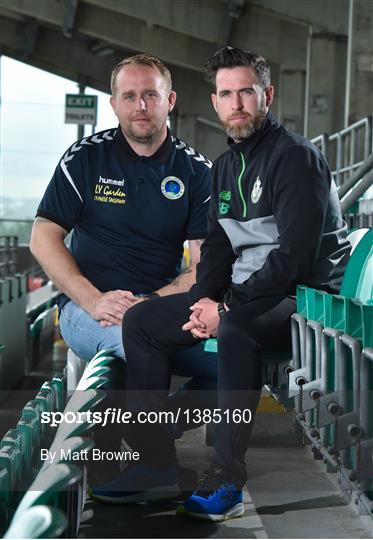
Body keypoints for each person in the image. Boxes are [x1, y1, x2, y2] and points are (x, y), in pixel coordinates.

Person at [102, 46, 351, 519]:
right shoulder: (223, 167)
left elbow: (295, 257)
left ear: (267, 95)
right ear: (215, 102)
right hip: (250, 295)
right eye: (226, 94)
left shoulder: (297, 158)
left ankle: (226, 479)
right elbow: (215, 251)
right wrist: (201, 302)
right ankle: (156, 465)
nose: (236, 103)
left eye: (246, 93)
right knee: (141, 321)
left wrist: (228, 308)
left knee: (236, 331)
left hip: (302, 298)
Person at [30, 54, 217, 483]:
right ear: (113, 104)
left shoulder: (196, 171)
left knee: (238, 362)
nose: (141, 106)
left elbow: (205, 267)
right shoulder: (85, 160)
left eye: (150, 94)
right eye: (129, 96)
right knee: (139, 343)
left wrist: (152, 303)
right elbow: (43, 236)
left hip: (162, 306)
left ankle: (149, 426)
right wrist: (92, 298)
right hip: (88, 310)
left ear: (169, 100)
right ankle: (154, 467)